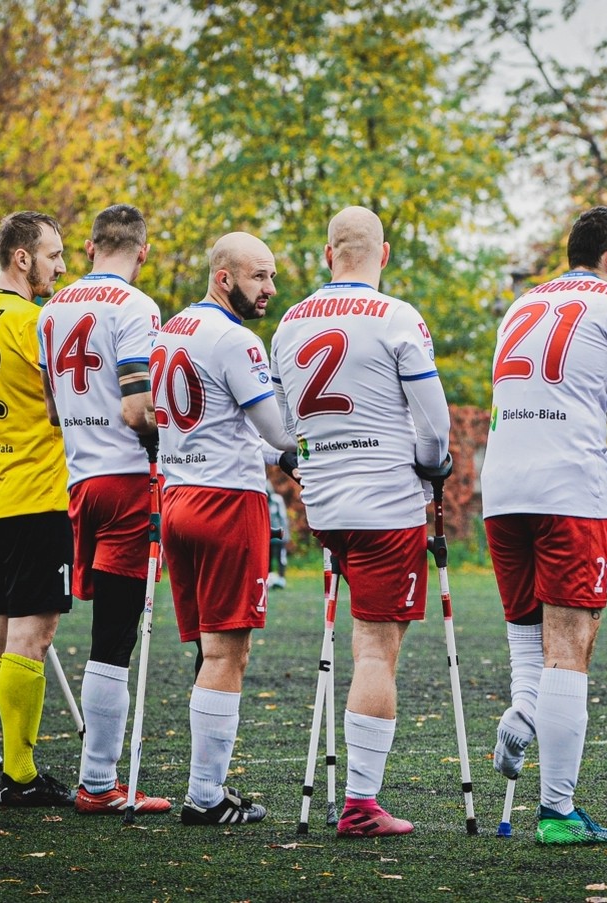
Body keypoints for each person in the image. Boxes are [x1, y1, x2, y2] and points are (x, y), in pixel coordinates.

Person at [478, 205, 607, 845]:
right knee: (570, 646)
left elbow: (535, 408)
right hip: (568, 497)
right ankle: (557, 813)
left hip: (503, 489)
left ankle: (523, 710)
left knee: (529, 638)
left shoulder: (521, 304)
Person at [271, 206, 451, 837]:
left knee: (360, 642)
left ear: (328, 255)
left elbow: (282, 429)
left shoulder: (289, 322)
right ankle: (361, 804)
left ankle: (357, 798)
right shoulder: (398, 316)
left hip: (325, 506)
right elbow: (435, 426)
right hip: (386, 505)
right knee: (376, 650)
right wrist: (431, 469)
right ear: (386, 253)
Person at [153, 231, 296, 826]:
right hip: (226, 503)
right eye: (259, 276)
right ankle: (206, 795)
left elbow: (225, 427)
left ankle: (206, 784)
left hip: (178, 496)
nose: (270, 288)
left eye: (271, 275)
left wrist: (279, 453)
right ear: (224, 277)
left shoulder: (171, 330)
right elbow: (278, 431)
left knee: (209, 650)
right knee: (225, 653)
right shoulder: (236, 339)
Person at [37, 204, 170, 816]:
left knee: (89, 631)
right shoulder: (137, 306)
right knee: (114, 637)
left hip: (79, 482)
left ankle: (90, 777)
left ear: (89, 247)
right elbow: (137, 409)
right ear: (143, 252)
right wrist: (175, 437)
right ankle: (98, 783)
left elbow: (51, 410)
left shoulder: (52, 308)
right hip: (125, 484)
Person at [0, 211, 75, 807]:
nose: (62, 267)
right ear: (22, 258)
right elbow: (57, 407)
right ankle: (22, 776)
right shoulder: (35, 320)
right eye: (54, 255)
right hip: (35, 493)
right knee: (34, 633)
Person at [266, 486, 290, 590]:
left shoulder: (277, 500)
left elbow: (283, 518)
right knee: (268, 558)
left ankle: (281, 579)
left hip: (279, 536)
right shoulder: (262, 501)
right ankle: (269, 579)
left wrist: (285, 535)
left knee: (280, 557)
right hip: (267, 536)